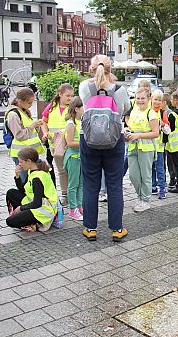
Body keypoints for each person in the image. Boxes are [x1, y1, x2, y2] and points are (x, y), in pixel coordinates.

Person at [79, 54, 130, 242]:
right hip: (114, 140)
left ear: (92, 68)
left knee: (91, 184)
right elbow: (125, 109)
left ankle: (90, 229)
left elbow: (83, 106)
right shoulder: (119, 89)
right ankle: (117, 229)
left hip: (89, 139)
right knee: (114, 185)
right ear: (111, 69)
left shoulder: (85, 87)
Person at [6, 147, 58, 231]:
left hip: (44, 209)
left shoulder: (37, 179)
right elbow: (23, 190)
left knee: (10, 221)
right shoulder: (32, 170)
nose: (19, 164)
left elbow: (37, 203)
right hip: (34, 202)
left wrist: (21, 208)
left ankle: (35, 224)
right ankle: (28, 221)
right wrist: (17, 176)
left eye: (21, 162)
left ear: (29, 161)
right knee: (11, 193)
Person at [125, 88, 159, 212]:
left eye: (142, 98)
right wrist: (127, 131)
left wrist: (139, 135)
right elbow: (131, 126)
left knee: (146, 175)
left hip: (146, 147)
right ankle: (140, 197)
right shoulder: (134, 111)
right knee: (133, 175)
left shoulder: (151, 113)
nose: (139, 101)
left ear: (148, 99)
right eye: (137, 98)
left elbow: (156, 133)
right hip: (133, 144)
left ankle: (145, 200)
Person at [41, 83, 74, 205]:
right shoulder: (51, 107)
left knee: (72, 170)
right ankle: (65, 194)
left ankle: (73, 194)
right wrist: (45, 133)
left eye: (72, 96)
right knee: (61, 170)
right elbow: (43, 121)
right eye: (67, 95)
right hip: (55, 145)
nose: (70, 98)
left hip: (70, 144)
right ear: (60, 94)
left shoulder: (73, 107)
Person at [5, 88, 45, 182]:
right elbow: (19, 135)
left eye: (32, 102)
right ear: (20, 101)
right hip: (21, 153)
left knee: (31, 180)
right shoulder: (13, 114)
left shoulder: (23, 111)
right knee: (25, 181)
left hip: (29, 152)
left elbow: (29, 131)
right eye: (29, 103)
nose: (31, 105)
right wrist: (32, 126)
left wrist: (36, 126)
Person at [63, 97, 84, 221]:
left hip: (80, 157)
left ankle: (79, 205)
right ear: (76, 109)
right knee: (73, 184)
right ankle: (72, 208)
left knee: (81, 183)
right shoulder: (71, 124)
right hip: (73, 157)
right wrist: (85, 144)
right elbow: (70, 142)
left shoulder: (79, 121)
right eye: (83, 108)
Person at [150, 90, 168, 199]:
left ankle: (162, 188)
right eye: (155, 99)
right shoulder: (148, 111)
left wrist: (163, 125)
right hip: (149, 146)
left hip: (159, 146)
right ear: (151, 99)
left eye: (159, 100)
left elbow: (168, 130)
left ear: (162, 102)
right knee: (151, 168)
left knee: (160, 168)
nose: (157, 102)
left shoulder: (162, 113)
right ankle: (153, 186)